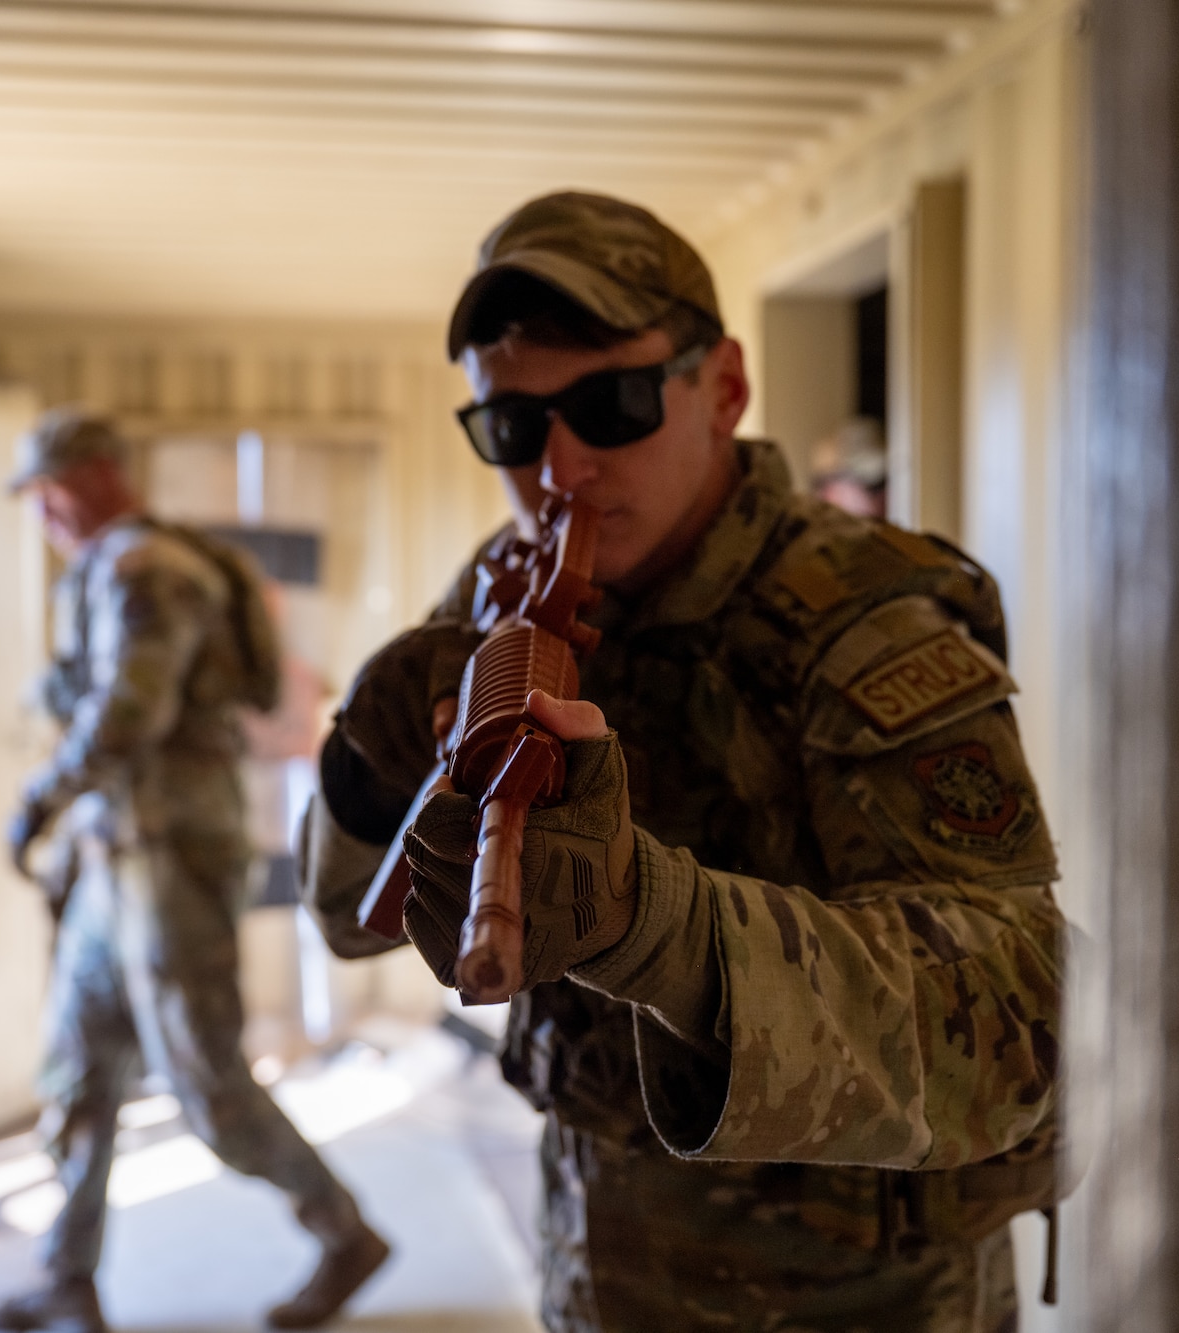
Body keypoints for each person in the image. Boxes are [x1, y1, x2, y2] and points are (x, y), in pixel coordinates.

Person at [302, 192, 1067, 1332]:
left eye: (608, 403)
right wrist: (372, 764)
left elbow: (1024, 1024)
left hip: (853, 1296)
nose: (558, 464)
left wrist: (657, 931)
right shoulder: (503, 590)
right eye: (509, 426)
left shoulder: (860, 619)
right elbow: (351, 917)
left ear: (724, 388)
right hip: (598, 1260)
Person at [0, 412, 389, 1333]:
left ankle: (343, 1230)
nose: (42, 513)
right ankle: (68, 1276)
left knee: (207, 1081)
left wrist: (36, 797)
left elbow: (129, 711)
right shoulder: (120, 567)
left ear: (87, 477)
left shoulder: (150, 571)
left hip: (169, 856)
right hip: (115, 853)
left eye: (47, 491)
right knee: (77, 1069)